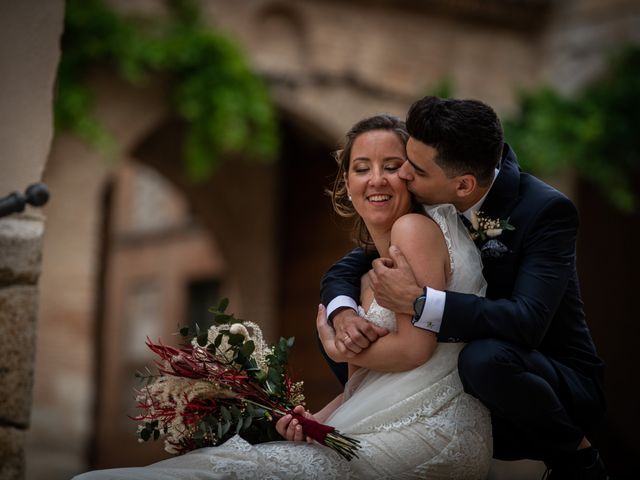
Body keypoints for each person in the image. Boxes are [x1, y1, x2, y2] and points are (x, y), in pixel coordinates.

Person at [72, 114, 492, 479]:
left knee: (236, 471)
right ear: (346, 184)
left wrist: (335, 345)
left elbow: (417, 350)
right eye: (362, 168)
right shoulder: (364, 273)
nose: (377, 179)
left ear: (411, 176)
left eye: (392, 165)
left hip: (435, 431)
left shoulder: (413, 230)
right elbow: (373, 384)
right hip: (391, 421)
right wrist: (314, 423)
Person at [321, 96, 608, 479]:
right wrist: (341, 311)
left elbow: (527, 321)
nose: (402, 174)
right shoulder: (429, 202)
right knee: (364, 324)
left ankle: (578, 459)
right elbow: (355, 261)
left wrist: (421, 302)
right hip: (454, 384)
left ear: (464, 185)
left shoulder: (543, 211)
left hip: (541, 380)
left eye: (414, 169)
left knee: (482, 358)